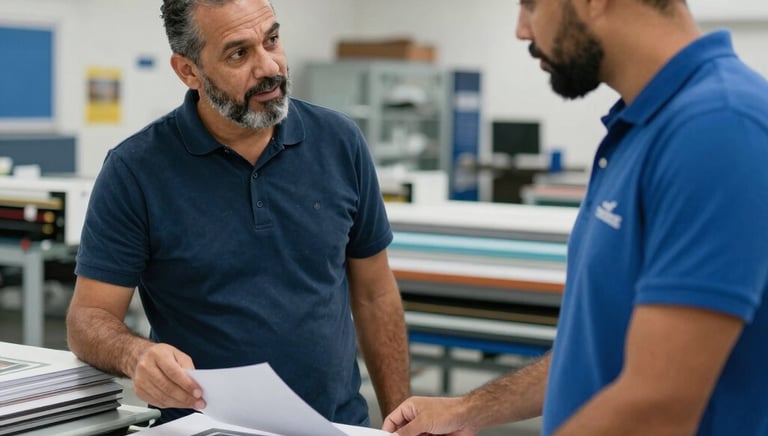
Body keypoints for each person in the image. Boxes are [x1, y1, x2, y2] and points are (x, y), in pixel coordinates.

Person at [382, 0, 768, 435]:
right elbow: (597, 354)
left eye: (530, 5)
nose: (522, 30)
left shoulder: (718, 127)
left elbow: (657, 407)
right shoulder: (641, 128)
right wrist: (469, 408)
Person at [66, 0, 411, 427]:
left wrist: (402, 417)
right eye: (238, 53)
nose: (269, 66)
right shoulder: (135, 170)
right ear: (188, 71)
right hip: (203, 427)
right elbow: (88, 318)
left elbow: (375, 295)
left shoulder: (340, 142)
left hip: (336, 424)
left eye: (272, 40)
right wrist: (136, 355)